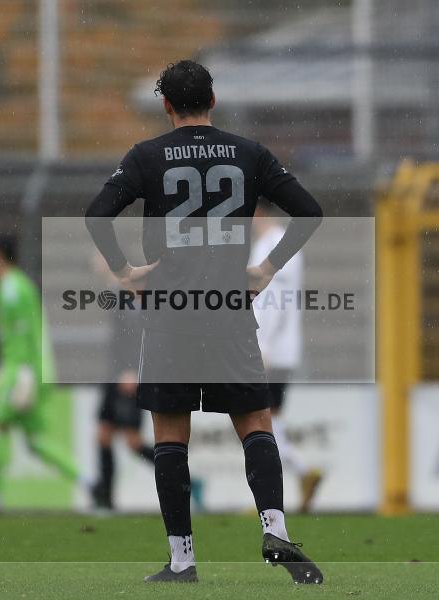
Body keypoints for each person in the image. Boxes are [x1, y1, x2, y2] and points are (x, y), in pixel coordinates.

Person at [85, 60, 324, 584]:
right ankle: (276, 529)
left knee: (171, 436)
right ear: (212, 101)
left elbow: (97, 214)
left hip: (169, 315)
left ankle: (183, 560)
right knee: (256, 424)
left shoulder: (146, 157)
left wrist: (125, 271)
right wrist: (265, 267)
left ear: (166, 106)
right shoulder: (248, 153)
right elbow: (308, 210)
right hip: (227, 312)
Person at [0, 233, 93, 514]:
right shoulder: (13, 285)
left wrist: (24, 373)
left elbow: (28, 334)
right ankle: (89, 481)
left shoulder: (11, 289)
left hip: (23, 370)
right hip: (24, 368)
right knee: (36, 442)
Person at [251, 201, 324, 513]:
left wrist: (262, 345)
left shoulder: (278, 244)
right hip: (273, 347)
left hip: (273, 350)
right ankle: (300, 474)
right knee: (266, 419)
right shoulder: (268, 243)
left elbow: (274, 301)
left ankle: (286, 485)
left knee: (259, 421)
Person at [90, 253, 155, 510]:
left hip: (128, 378)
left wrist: (134, 372)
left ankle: (188, 481)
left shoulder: (142, 305)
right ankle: (106, 501)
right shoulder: (122, 297)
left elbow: (139, 340)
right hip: (114, 377)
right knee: (103, 436)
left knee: (133, 442)